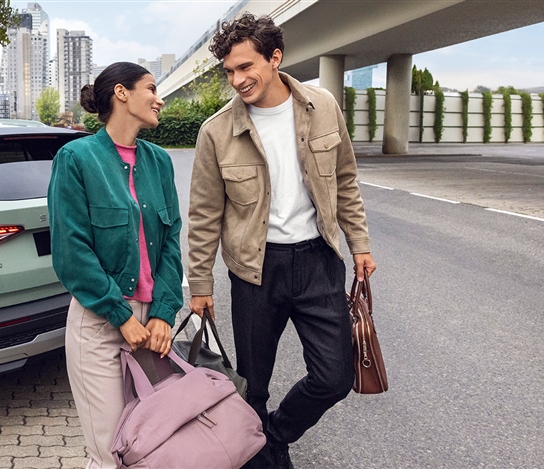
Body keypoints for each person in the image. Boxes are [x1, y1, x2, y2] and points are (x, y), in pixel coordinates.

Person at [187, 13, 377, 469]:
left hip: (318, 262)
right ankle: (262, 460)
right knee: (252, 385)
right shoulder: (216, 131)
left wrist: (360, 243)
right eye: (229, 71)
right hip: (255, 271)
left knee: (334, 377)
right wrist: (200, 284)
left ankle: (273, 437)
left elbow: (345, 181)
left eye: (245, 67)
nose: (237, 80)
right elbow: (204, 215)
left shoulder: (322, 106)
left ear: (275, 58)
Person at [48, 62, 184, 469]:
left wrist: (163, 313)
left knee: (154, 445)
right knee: (111, 453)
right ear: (121, 93)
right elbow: (71, 252)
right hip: (100, 323)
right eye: (151, 88)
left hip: (153, 327)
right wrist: (121, 315)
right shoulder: (76, 158)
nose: (159, 100)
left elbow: (171, 241)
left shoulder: (159, 162)